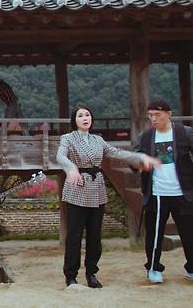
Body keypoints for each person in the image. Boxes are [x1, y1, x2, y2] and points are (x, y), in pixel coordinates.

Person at [57, 104, 160, 288]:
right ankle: (70, 275)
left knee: (95, 236)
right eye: (80, 115)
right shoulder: (67, 138)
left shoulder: (98, 140)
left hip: (96, 188)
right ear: (74, 120)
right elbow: (61, 157)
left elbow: (117, 153)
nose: (84, 118)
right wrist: (71, 168)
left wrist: (141, 158)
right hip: (77, 187)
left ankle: (91, 273)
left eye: (87, 115)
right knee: (74, 235)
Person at [134, 99, 193, 284]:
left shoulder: (185, 133)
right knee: (154, 234)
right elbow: (134, 159)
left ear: (169, 114)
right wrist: (140, 165)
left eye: (157, 115)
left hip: (183, 192)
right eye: (150, 115)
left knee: (189, 233)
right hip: (157, 193)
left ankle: (191, 268)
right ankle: (153, 268)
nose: (154, 119)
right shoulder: (145, 136)